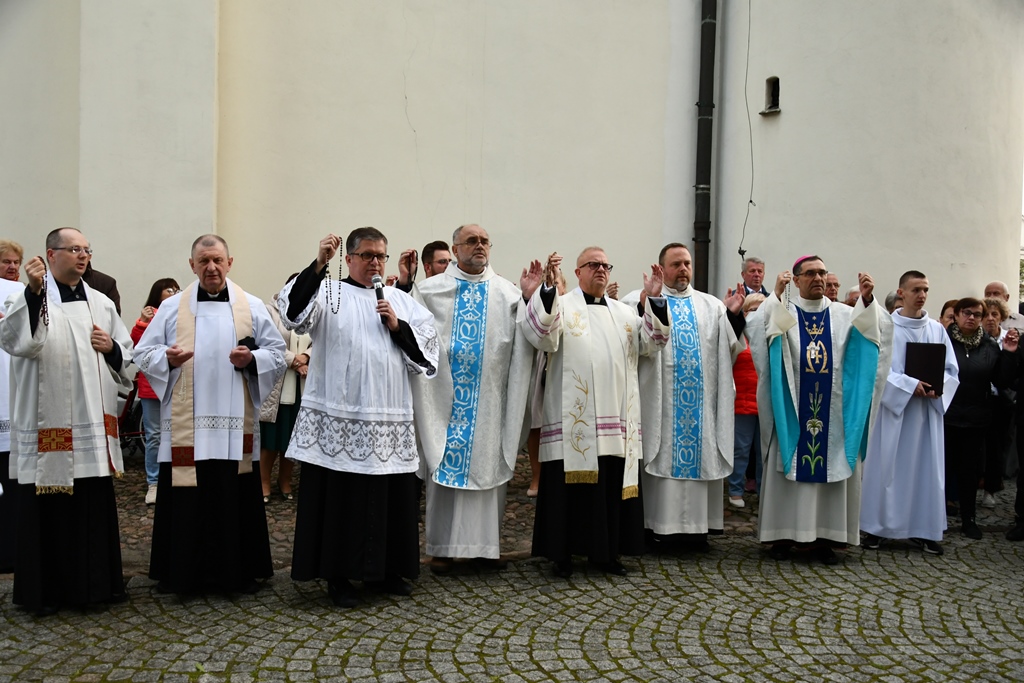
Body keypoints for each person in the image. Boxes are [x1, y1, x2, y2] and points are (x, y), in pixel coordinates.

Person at [279, 228, 438, 608]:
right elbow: (292, 315)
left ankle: (387, 571)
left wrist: (397, 326)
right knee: (340, 500)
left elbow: (427, 356)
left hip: (387, 417)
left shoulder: (400, 300)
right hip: (340, 417)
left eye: (381, 255)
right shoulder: (328, 292)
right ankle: (338, 577)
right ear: (349, 259)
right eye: (367, 255)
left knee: (389, 499)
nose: (375, 262)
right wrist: (318, 264)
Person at [135, 234, 285, 595]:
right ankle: (181, 574)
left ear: (230, 263)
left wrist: (252, 359)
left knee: (232, 495)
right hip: (186, 429)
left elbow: (277, 353)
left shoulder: (251, 306)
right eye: (203, 261)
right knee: (187, 498)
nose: (211, 267)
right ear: (192, 265)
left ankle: (238, 573)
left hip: (235, 430)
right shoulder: (171, 308)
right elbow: (142, 353)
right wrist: (166, 360)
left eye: (218, 260)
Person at [0, 227, 133, 615]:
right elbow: (17, 341)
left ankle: (94, 589)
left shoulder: (101, 303)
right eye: (74, 249)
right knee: (48, 514)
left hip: (91, 428)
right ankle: (46, 594)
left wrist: (112, 349)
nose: (82, 255)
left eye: (86, 249)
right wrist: (33, 292)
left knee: (90, 511)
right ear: (51, 254)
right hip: (49, 432)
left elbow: (126, 356)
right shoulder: (30, 298)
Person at [521, 246, 670, 578]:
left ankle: (606, 554)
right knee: (568, 492)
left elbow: (654, 343)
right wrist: (547, 291)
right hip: (572, 422)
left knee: (609, 489)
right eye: (593, 265)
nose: (601, 269)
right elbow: (542, 336)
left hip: (616, 421)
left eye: (605, 265)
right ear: (578, 273)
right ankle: (561, 555)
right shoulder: (562, 305)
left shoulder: (625, 313)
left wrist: (655, 300)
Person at [746, 255, 892, 565]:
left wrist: (868, 302)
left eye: (822, 273)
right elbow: (756, 330)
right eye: (810, 273)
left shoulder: (844, 314)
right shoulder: (784, 311)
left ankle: (825, 538)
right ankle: (782, 536)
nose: (818, 278)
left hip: (834, 413)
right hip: (792, 411)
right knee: (789, 474)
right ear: (797, 279)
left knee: (830, 472)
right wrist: (775, 296)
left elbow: (874, 336)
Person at [409, 224, 537, 574]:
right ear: (455, 249)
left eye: (484, 241)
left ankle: (484, 549)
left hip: (489, 403)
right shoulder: (430, 291)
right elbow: (413, 335)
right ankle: (441, 550)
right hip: (444, 400)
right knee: (443, 467)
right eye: (471, 241)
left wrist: (531, 299)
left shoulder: (508, 294)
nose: (479, 246)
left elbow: (530, 338)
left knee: (486, 471)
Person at [624, 243, 745, 549]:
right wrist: (646, 305)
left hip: (699, 407)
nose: (683, 269)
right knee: (661, 458)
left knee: (698, 461)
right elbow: (632, 340)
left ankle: (696, 530)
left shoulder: (711, 306)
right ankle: (656, 527)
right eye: (676, 264)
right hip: (660, 402)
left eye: (687, 264)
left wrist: (732, 316)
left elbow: (729, 349)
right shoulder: (638, 298)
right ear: (661, 268)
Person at [860, 271, 959, 555]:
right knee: (888, 468)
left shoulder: (937, 330)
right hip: (895, 415)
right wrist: (907, 385)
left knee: (926, 472)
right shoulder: (886, 327)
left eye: (925, 289)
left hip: (927, 414)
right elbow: (876, 369)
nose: (922, 295)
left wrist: (938, 387)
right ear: (901, 293)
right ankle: (878, 529)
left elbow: (952, 370)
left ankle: (924, 530)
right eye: (916, 289)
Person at [943, 297, 1018, 539]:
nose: (972, 318)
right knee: (942, 469)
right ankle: (935, 519)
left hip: (976, 419)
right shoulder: (943, 340)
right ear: (957, 315)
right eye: (967, 313)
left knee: (969, 472)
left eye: (977, 314)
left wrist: (1008, 354)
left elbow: (1002, 381)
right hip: (945, 416)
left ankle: (969, 519)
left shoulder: (989, 346)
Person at [259, 274, 311, 504]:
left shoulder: (313, 312)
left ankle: (285, 480)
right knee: (271, 439)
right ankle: (263, 482)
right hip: (277, 385)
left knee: (292, 438)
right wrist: (294, 361)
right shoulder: (270, 311)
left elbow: (320, 341)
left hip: (302, 386)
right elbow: (267, 342)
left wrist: (307, 356)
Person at [131, 278, 181, 505]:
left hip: (176, 383)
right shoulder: (150, 316)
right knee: (154, 436)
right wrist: (142, 322)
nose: (173, 293)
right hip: (150, 386)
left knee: (179, 434)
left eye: (176, 289)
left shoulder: (182, 313)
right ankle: (154, 482)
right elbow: (136, 347)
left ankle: (176, 477)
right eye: (168, 290)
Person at [729, 293, 765, 507]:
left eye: (762, 310)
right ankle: (735, 490)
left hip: (765, 403)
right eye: (754, 309)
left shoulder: (769, 334)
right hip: (742, 402)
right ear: (745, 312)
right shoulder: (739, 335)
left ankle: (763, 491)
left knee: (764, 451)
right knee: (740, 449)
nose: (758, 314)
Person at [0, 267, 24, 572]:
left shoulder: (17, 293)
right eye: (6, 261)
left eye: (15, 261)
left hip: (9, 397)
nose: (12, 266)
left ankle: (10, 551)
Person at [981, 297, 1014, 508]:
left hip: (1001, 402)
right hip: (980, 399)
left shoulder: (1010, 339)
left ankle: (990, 489)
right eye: (986, 315)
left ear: (1002, 317)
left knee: (996, 448)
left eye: (995, 314)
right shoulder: (977, 339)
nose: (990, 319)